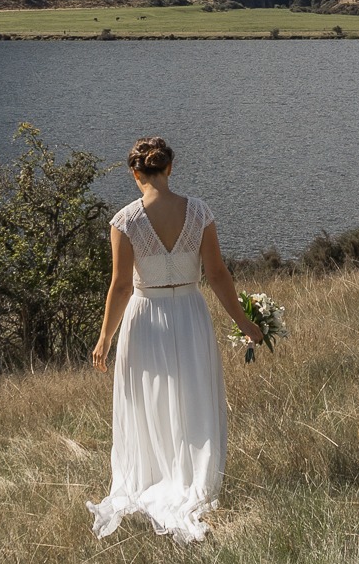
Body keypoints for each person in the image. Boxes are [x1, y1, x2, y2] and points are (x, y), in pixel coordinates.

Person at [88, 135, 263, 542]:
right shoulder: (199, 212)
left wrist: (105, 337)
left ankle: (154, 477)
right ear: (169, 168)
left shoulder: (125, 221)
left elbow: (121, 286)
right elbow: (217, 274)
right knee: (193, 398)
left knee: (147, 403)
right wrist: (243, 322)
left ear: (135, 174)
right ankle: (190, 479)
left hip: (144, 320)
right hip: (190, 314)